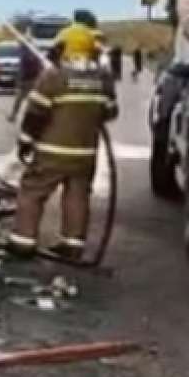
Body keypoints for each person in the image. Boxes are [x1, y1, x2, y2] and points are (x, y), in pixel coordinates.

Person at [8, 24, 118, 258]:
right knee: (78, 196)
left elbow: (35, 113)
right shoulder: (102, 78)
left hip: (52, 153)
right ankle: (73, 244)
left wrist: (25, 142)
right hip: (85, 155)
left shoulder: (54, 76)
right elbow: (110, 112)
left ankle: (23, 242)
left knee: (32, 191)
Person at [7, 42, 42, 123]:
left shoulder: (25, 55)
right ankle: (31, 117)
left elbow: (22, 70)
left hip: (27, 80)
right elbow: (39, 67)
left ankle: (14, 116)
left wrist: (19, 82)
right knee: (31, 100)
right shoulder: (35, 54)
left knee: (19, 99)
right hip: (33, 80)